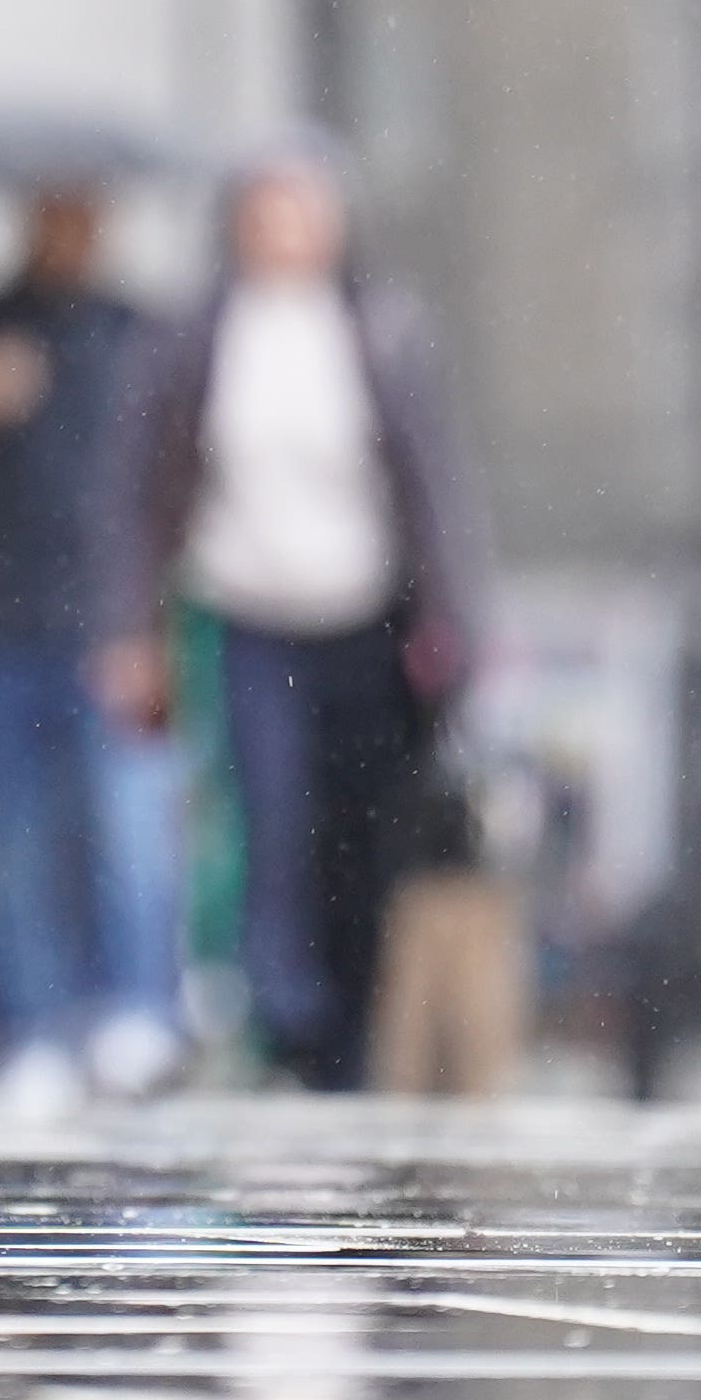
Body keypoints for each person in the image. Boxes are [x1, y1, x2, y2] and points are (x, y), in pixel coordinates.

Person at [100, 145, 485, 1094]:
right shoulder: (197, 339)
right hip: (248, 613)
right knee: (268, 820)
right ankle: (287, 1015)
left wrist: (456, 616)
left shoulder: (380, 330)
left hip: (364, 622)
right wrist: (129, 630)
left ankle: (351, 1031)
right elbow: (141, 496)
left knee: (358, 832)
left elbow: (434, 486)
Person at [0, 175, 162, 1097]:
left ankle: (136, 1012)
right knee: (7, 843)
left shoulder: (138, 336)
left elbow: (164, 488)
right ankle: (35, 1027)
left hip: (111, 624)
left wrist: (149, 622)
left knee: (127, 832)